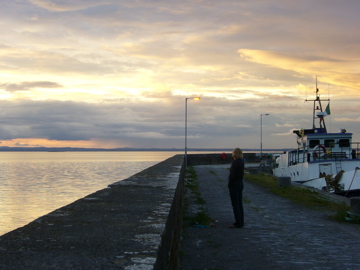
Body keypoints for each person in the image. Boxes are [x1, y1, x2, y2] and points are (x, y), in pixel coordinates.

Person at [228, 147, 244, 228]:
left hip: (234, 185)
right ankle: (241, 222)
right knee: (239, 204)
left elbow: (232, 175)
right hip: (240, 184)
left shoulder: (235, 163)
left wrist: (229, 184)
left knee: (235, 205)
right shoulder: (241, 162)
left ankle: (238, 223)